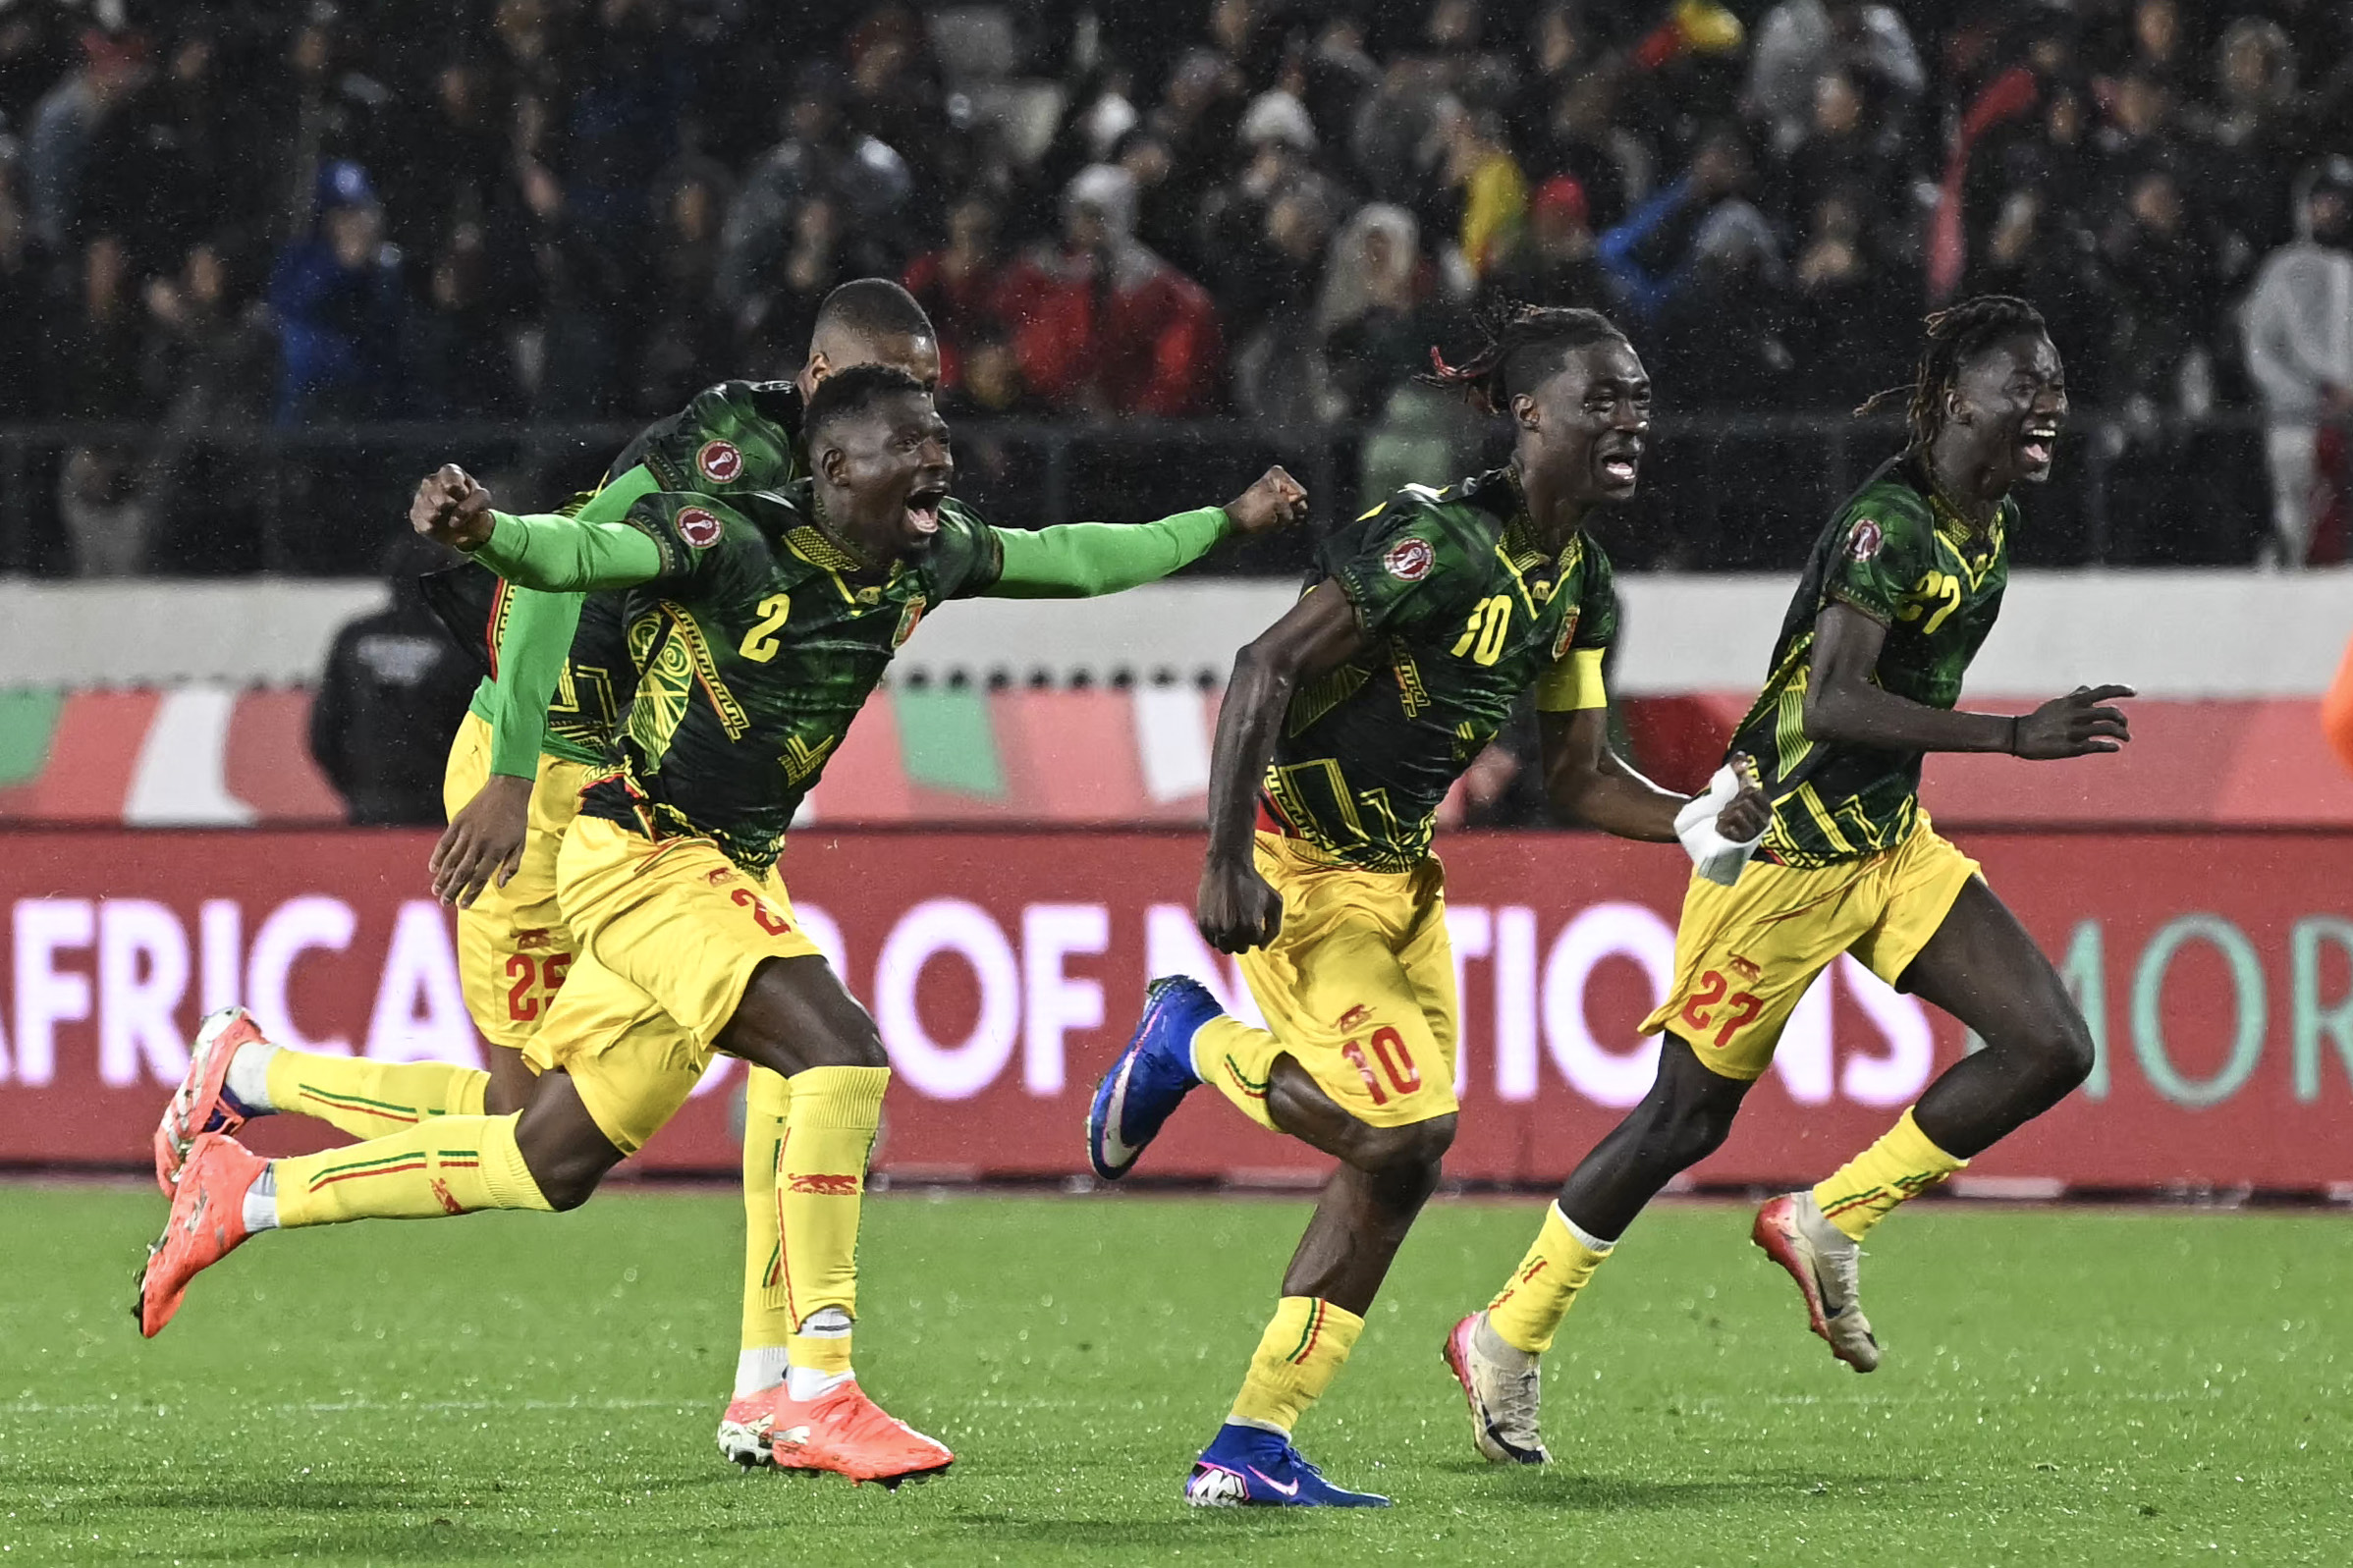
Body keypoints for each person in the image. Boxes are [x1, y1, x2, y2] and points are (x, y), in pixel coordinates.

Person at [142, 367, 1310, 1491]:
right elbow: (583, 552)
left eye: (939, 437)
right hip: (636, 848)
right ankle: (812, 1382)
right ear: (831, 463)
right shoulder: (727, 535)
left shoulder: (928, 550)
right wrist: (490, 534)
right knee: (837, 1050)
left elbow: (1075, 557)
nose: (938, 460)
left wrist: (1227, 518)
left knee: (543, 1153)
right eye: (909, 442)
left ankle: (245, 1191)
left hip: (723, 864)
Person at [155, 280, 946, 1472]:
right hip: (548, 783)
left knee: (769, 1048)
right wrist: (516, 774)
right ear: (828, 382)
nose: (925, 415)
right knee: (534, 1128)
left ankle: (768, 1384)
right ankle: (253, 1083)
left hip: (653, 806)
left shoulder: (867, 494)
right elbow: (543, 572)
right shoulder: (719, 455)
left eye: (933, 393)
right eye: (904, 385)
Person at [1081, 304, 1770, 1507]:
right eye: (1601, 398)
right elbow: (1264, 665)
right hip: (1299, 862)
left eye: (1639, 398)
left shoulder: (1580, 586)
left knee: (1407, 1156)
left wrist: (1694, 816)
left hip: (1400, 878)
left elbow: (1578, 775)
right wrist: (1222, 858)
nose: (1630, 418)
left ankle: (1251, 1441)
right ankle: (1188, 1035)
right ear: (1527, 413)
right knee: (1390, 1131)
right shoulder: (1432, 542)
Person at [1444, 296, 2134, 1467]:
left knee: (2050, 1045)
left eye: (2057, 382)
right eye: (2027, 384)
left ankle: (1825, 1218)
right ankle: (1504, 1333)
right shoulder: (1887, 524)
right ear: (1957, 398)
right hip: (1775, 856)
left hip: (1884, 842)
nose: (2050, 404)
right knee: (1679, 1120)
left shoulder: (1987, 522)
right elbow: (1830, 702)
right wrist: (2009, 738)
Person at [307, 536, 481, 825]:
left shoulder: (354, 636)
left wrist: (355, 786)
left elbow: (324, 732)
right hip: (438, 806)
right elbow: (480, 732)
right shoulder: (460, 642)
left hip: (370, 802)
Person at [2242, 157, 2353, 568]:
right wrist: (2315, 395)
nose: (2331, 211)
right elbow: (2261, 348)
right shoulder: (2284, 271)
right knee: (2300, 524)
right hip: (2300, 426)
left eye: (2340, 202)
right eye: (2322, 201)